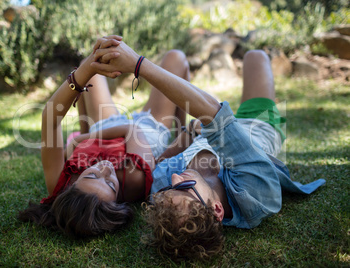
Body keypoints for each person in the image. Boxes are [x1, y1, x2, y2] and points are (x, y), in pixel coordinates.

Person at [92, 40, 326, 260]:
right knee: (256, 56)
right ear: (216, 209)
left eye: (169, 188)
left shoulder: (163, 188)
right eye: (182, 187)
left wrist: (191, 131)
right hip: (256, 125)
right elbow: (215, 116)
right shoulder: (255, 194)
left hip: (206, 129)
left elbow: (167, 157)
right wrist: (137, 64)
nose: (174, 177)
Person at [18, 36, 190, 237]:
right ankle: (181, 132)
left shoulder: (58, 181)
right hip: (144, 133)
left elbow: (50, 118)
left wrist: (88, 68)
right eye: (110, 183)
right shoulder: (134, 178)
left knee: (89, 66)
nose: (105, 169)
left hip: (104, 129)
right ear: (117, 201)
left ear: (72, 186)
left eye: (91, 175)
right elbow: (131, 130)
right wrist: (80, 140)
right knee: (176, 58)